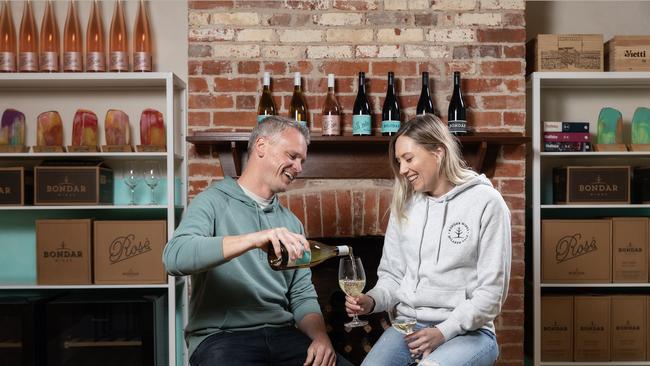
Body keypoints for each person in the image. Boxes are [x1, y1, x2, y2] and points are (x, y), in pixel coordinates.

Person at [164, 116, 352, 366]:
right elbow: (175, 257)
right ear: (261, 146)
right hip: (222, 339)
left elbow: (301, 293)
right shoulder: (212, 201)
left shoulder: (291, 223)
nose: (299, 168)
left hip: (282, 336)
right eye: (292, 156)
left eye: (302, 161)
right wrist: (254, 239)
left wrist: (320, 338)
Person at [345, 114, 511, 366]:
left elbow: (491, 294)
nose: (402, 170)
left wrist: (444, 331)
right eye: (399, 161)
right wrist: (371, 300)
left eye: (409, 159)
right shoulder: (406, 205)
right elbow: (392, 277)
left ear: (438, 152)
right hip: (408, 328)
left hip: (470, 332)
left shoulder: (487, 203)